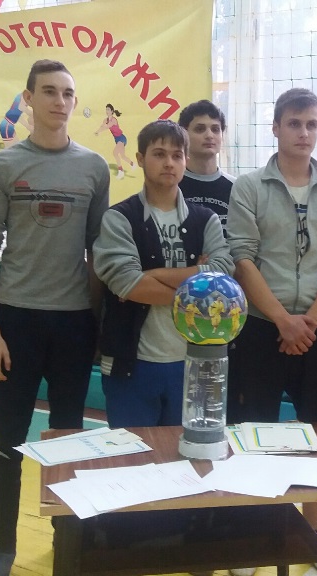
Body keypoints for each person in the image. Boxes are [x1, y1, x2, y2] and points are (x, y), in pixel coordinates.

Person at [0, 59, 110, 576]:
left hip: (74, 324)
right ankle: (3, 546)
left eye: (68, 93)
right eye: (49, 91)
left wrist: (97, 324)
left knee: (68, 440)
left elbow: (99, 253)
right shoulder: (4, 166)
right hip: (16, 323)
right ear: (28, 99)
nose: (60, 101)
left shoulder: (94, 168)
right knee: (7, 439)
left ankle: (66, 542)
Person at [225, 87, 317, 576]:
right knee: (250, 430)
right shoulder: (249, 187)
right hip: (262, 326)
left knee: (315, 435)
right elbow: (243, 257)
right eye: (294, 123)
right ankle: (250, 538)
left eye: (312, 124)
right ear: (276, 127)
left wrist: (310, 322)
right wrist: (282, 319)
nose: (303, 133)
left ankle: (311, 539)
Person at [93, 119, 233, 427]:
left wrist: (150, 275)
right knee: (134, 453)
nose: (169, 163)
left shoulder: (206, 219)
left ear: (185, 160)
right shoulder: (118, 218)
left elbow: (222, 273)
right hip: (131, 363)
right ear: (140, 159)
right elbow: (126, 281)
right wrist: (197, 284)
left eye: (177, 155)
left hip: (193, 363)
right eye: (159, 154)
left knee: (187, 453)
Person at [177, 99, 233, 231]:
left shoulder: (237, 188)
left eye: (215, 129)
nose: (209, 135)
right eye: (200, 129)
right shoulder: (171, 185)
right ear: (184, 134)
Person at [94, 103, 135, 180]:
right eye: (106, 109)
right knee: (123, 156)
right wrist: (98, 131)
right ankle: (133, 164)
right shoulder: (105, 120)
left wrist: (101, 129)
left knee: (115, 153)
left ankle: (121, 172)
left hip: (121, 138)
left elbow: (107, 126)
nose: (107, 111)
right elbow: (102, 126)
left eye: (108, 110)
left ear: (112, 111)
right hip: (117, 140)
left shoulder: (113, 120)